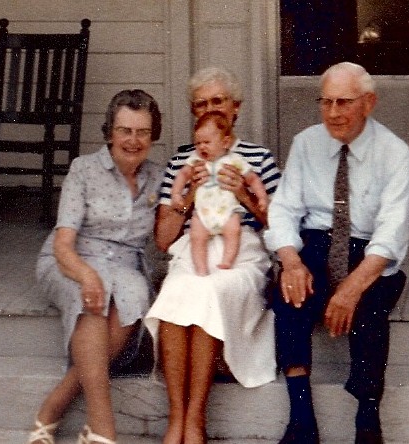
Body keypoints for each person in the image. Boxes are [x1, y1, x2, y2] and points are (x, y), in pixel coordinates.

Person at [264, 62, 409, 444]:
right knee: (289, 295)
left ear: (369, 103)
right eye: (326, 102)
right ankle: (301, 422)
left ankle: (367, 421)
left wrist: (350, 288)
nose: (333, 112)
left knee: (370, 306)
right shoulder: (305, 143)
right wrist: (290, 261)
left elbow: (391, 232)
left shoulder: (394, 152)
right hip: (316, 242)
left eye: (343, 102)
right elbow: (283, 210)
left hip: (368, 251)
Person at [145, 66, 281, 444]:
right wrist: (189, 196)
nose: (210, 108)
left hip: (241, 252)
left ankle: (196, 418)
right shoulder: (183, 161)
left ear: (236, 107)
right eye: (201, 104)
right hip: (195, 248)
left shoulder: (258, 158)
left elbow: (280, 225)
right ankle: (177, 417)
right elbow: (163, 239)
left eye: (218, 101)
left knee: (207, 290)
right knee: (177, 291)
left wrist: (244, 197)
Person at [28, 89, 163, 444]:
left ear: (153, 136)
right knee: (93, 297)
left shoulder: (158, 177)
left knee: (133, 295)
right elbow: (63, 244)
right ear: (109, 132)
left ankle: (54, 405)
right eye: (124, 130)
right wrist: (87, 275)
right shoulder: (83, 170)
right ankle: (103, 427)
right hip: (73, 260)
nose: (133, 140)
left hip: (126, 268)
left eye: (143, 132)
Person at [170, 110, 269, 275]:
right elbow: (182, 174)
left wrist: (262, 198)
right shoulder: (196, 160)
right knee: (197, 236)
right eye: (198, 143)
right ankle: (201, 268)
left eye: (207, 142)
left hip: (227, 212)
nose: (201, 147)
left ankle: (227, 260)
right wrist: (176, 194)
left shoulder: (234, 160)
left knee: (233, 231)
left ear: (225, 142)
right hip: (203, 212)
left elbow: (252, 179)